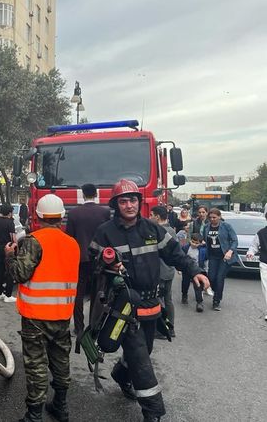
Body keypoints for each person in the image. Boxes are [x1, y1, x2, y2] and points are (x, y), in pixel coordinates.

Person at [89, 179, 209, 422]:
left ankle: (121, 375)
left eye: (133, 200)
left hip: (152, 305)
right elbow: (93, 263)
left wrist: (195, 271)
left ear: (139, 202)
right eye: (124, 201)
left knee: (144, 350)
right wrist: (107, 264)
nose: (129, 205)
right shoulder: (105, 232)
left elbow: (175, 254)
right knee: (140, 358)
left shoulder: (153, 229)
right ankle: (153, 411)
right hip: (124, 305)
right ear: (116, 204)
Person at [5, 194, 80, 422]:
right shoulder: (72, 244)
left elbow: (20, 274)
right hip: (62, 315)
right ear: (62, 217)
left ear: (38, 216)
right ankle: (60, 407)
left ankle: (34, 416)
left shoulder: (33, 241)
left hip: (36, 317)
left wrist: (10, 257)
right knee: (61, 362)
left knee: (36, 366)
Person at [65, 183, 110, 335]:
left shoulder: (74, 213)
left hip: (80, 258)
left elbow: (70, 238)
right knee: (97, 293)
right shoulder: (104, 212)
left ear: (83, 194)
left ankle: (79, 328)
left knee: (78, 293)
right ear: (96, 194)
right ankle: (94, 326)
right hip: (98, 258)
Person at [203, 208, 238, 311]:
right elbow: (205, 240)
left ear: (219, 216)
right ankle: (217, 291)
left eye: (214, 217)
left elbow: (234, 240)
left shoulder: (226, 226)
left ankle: (216, 301)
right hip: (213, 256)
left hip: (224, 256)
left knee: (219, 278)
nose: (212, 219)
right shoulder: (206, 227)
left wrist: (230, 251)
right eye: (210, 218)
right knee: (211, 277)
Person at [149, 206, 177, 337]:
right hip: (170, 270)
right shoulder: (172, 230)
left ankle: (162, 330)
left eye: (151, 215)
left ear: (157, 217)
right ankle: (171, 329)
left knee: (158, 300)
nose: (150, 217)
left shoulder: (159, 231)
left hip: (160, 271)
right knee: (168, 299)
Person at [0, 204, 17, 302]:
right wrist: (15, 247)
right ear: (9, 213)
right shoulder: (10, 222)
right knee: (10, 271)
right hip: (8, 249)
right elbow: (13, 238)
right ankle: (8, 295)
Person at [246, 212, 267, 321]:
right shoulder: (261, 233)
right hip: (265, 263)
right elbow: (254, 246)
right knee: (266, 288)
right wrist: (251, 253)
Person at [182, 233, 207, 312]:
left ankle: (199, 302)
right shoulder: (185, 248)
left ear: (200, 243)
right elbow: (181, 258)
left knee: (198, 286)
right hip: (186, 269)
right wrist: (180, 269)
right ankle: (184, 295)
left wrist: (204, 270)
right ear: (190, 240)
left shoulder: (202, 250)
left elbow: (206, 259)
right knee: (185, 283)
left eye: (197, 243)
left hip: (197, 270)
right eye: (193, 242)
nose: (194, 244)